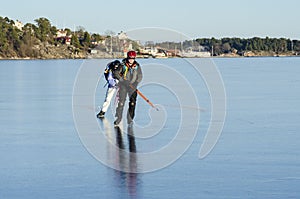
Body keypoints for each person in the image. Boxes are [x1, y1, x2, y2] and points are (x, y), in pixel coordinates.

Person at [114, 50, 143, 126]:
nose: (131, 60)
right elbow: (116, 73)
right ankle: (118, 118)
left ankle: (130, 119)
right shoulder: (123, 65)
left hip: (132, 86)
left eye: (133, 58)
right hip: (123, 85)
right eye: (130, 58)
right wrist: (122, 80)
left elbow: (140, 76)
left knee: (132, 103)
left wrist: (136, 83)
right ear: (127, 57)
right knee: (121, 103)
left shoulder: (137, 66)